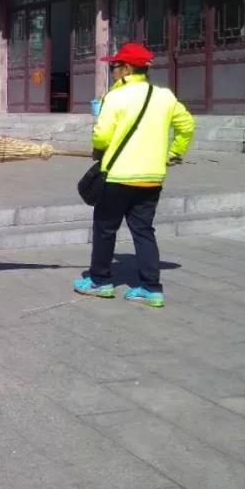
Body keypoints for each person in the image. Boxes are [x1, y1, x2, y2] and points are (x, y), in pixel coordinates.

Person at [74, 42, 195, 308]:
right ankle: (151, 288)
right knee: (143, 231)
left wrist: (98, 144)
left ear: (127, 68)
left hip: (118, 177)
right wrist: (174, 152)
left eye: (114, 67)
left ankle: (100, 281)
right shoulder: (164, 96)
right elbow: (187, 125)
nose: (113, 72)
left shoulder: (115, 97)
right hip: (151, 177)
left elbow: (102, 136)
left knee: (105, 229)